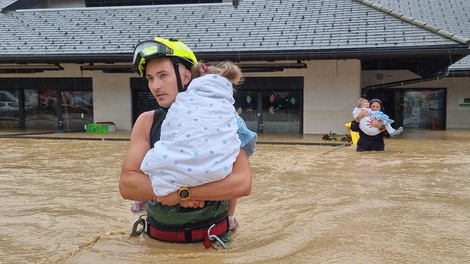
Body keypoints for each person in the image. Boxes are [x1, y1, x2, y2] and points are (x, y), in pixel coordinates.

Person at [119, 37, 254, 247]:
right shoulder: (147, 122)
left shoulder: (223, 118)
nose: (155, 86)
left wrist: (184, 193)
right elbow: (128, 185)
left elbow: (242, 183)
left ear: (186, 76)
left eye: (163, 75)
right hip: (157, 243)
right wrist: (180, 195)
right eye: (150, 78)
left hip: (211, 244)